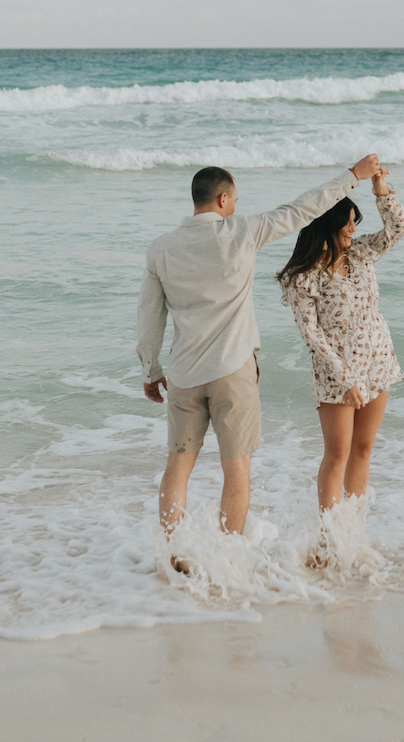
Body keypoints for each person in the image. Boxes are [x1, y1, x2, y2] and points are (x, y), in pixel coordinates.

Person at [137, 154, 382, 561]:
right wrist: (352, 177)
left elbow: (149, 316)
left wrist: (150, 368)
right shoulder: (242, 231)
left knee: (178, 466)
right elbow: (303, 209)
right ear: (221, 199)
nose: (234, 206)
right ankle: (229, 556)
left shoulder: (160, 249)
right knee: (237, 468)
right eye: (232, 200)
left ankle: (172, 550)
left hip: (184, 373)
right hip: (233, 370)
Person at [276, 165, 404, 546]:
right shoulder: (305, 275)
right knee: (338, 454)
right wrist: (346, 380)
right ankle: (329, 536)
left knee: (363, 450)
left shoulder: (362, 253)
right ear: (327, 224)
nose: (353, 230)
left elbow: (397, 229)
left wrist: (381, 189)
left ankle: (353, 530)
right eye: (347, 224)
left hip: (379, 362)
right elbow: (311, 335)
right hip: (337, 373)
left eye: (355, 223)